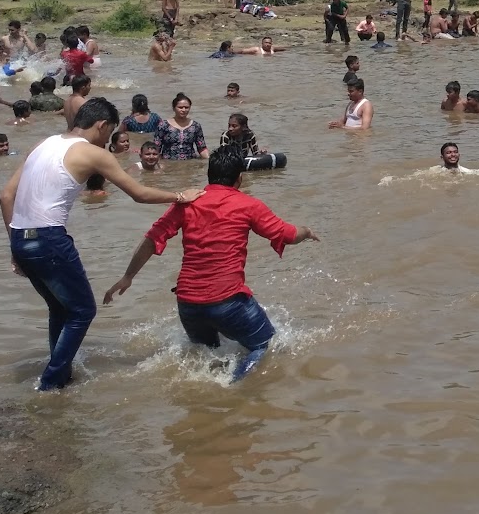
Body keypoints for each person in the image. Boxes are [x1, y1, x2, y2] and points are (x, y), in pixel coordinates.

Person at [0, 97, 190, 391]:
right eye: (108, 132)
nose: (107, 140)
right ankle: (50, 384)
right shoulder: (92, 153)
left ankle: (61, 375)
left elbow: (6, 197)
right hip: (50, 238)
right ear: (101, 125)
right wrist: (180, 195)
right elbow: (138, 193)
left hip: (22, 238)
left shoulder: (42, 143)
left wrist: (15, 246)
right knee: (83, 311)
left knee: (61, 310)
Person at [101, 148, 319, 382]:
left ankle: (208, 401)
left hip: (188, 304)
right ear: (240, 178)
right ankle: (235, 387)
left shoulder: (188, 201)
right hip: (228, 301)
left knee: (207, 357)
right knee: (266, 346)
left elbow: (152, 240)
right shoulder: (248, 204)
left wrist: (128, 277)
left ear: (209, 174)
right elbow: (287, 234)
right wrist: (306, 232)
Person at [157, 93, 209, 160]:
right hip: (169, 163)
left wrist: (210, 161)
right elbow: (156, 149)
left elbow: (202, 148)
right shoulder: (163, 125)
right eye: (180, 107)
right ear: (174, 108)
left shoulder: (196, 126)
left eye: (186, 107)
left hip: (190, 163)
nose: (184, 110)